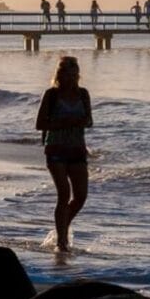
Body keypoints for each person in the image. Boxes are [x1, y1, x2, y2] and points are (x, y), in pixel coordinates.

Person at [35, 56, 93, 253]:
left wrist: (80, 121)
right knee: (63, 194)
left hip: (77, 148)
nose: (70, 77)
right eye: (66, 74)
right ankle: (62, 242)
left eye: (74, 74)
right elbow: (40, 124)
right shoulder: (51, 95)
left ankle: (63, 225)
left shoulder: (83, 94)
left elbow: (89, 121)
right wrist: (63, 123)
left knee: (81, 196)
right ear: (60, 75)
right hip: (56, 148)